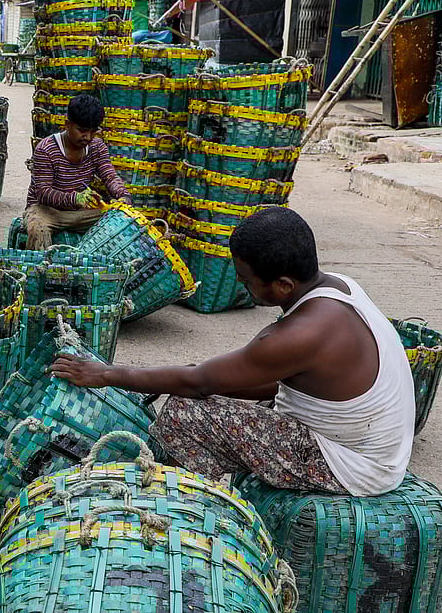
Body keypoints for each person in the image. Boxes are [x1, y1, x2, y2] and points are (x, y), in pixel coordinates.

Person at [49, 207, 414, 497]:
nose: (242, 284)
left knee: (184, 413)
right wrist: (193, 380)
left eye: (246, 280)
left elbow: (198, 381)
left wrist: (105, 374)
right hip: (371, 447)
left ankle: (183, 507)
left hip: (354, 466)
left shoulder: (297, 336)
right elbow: (283, 383)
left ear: (283, 285)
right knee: (208, 397)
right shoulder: (339, 287)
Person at [25, 94, 132, 251]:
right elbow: (43, 193)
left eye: (93, 131)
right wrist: (76, 198)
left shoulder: (97, 147)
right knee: (37, 228)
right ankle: (40, 266)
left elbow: (109, 176)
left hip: (81, 212)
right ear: (67, 124)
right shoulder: (46, 149)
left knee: (120, 220)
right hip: (46, 211)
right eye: (82, 130)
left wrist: (123, 196)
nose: (87, 137)